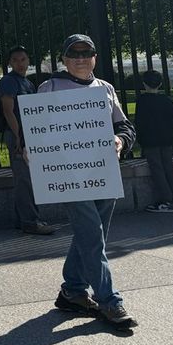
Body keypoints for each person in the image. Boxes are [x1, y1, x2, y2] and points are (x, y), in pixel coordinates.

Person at [34, 34, 138, 328]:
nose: (80, 58)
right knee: (92, 234)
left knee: (92, 234)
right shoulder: (50, 87)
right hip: (68, 173)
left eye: (86, 53)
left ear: (94, 57)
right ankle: (110, 301)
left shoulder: (105, 88)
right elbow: (36, 128)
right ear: (64, 59)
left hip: (103, 170)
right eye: (74, 53)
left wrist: (120, 140)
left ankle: (73, 291)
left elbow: (124, 125)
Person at [0, 46, 55, 235]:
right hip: (17, 135)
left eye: (23, 59)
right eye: (15, 60)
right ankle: (31, 221)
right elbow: (8, 110)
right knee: (25, 179)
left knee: (25, 178)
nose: (20, 64)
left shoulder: (26, 83)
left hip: (26, 134)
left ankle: (21, 219)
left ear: (28, 60)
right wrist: (18, 137)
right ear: (10, 63)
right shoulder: (9, 82)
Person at [135, 70, 173, 213]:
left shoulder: (142, 101)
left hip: (150, 140)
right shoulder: (166, 100)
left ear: (144, 84)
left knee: (157, 170)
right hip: (166, 139)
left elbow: (139, 122)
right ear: (161, 84)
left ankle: (166, 200)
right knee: (169, 168)